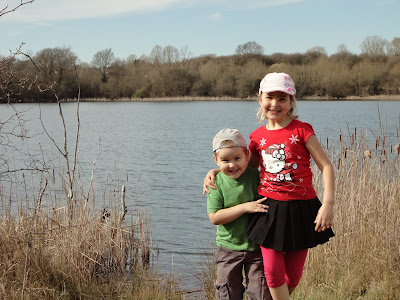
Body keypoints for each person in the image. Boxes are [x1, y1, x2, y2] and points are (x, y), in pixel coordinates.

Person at [204, 73, 335, 300]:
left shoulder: (302, 131)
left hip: (302, 209)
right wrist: (215, 171)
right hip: (269, 210)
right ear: (260, 99)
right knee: (272, 274)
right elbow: (245, 169)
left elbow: (327, 167)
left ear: (291, 102)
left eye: (282, 98)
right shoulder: (257, 137)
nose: (275, 104)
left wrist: (328, 205)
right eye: (270, 97)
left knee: (292, 277)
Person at [206, 128, 272, 300]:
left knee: (260, 293)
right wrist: (245, 207)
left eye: (237, 158)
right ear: (216, 160)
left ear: (247, 155)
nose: (232, 165)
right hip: (228, 248)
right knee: (228, 292)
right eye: (225, 160)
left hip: (256, 248)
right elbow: (214, 217)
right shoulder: (216, 184)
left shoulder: (255, 176)